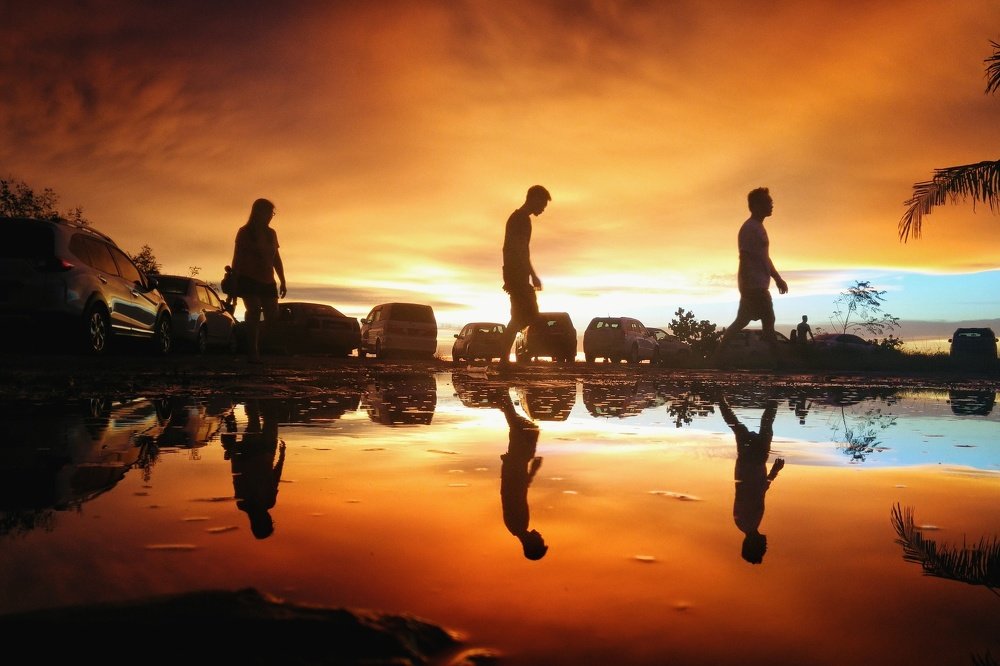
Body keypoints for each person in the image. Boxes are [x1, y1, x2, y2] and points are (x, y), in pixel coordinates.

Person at [715, 187, 788, 364]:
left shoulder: (759, 228)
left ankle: (718, 357)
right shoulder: (750, 228)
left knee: (743, 321)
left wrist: (777, 278)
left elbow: (765, 258)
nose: (771, 204)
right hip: (754, 286)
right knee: (767, 322)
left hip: (758, 285)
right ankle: (780, 362)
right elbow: (745, 257)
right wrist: (746, 286)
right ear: (755, 206)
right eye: (767, 202)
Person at [718, 395, 784, 564]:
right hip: (748, 462)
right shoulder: (744, 524)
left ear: (752, 546)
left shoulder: (748, 522)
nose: (766, 546)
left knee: (763, 424)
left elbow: (756, 492)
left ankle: (775, 394)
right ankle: (720, 399)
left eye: (762, 549)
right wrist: (772, 473)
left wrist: (774, 472)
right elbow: (755, 492)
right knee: (738, 426)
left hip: (753, 461)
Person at [491, 386, 547, 560]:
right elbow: (517, 492)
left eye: (540, 541)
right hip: (516, 466)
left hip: (515, 466)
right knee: (524, 429)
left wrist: (531, 470)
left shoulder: (518, 525)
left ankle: (499, 394)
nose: (541, 537)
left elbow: (514, 493)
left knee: (522, 429)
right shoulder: (517, 526)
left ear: (532, 544)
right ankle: (501, 398)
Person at [497, 185, 551, 365]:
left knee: (522, 315)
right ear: (534, 199)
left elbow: (516, 249)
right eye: (542, 204)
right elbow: (519, 250)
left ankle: (504, 357)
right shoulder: (520, 219)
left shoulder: (520, 219)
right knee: (527, 314)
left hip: (516, 274)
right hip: (516, 274)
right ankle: (504, 356)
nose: (543, 209)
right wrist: (531, 275)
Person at [230, 198, 287, 363]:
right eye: (269, 213)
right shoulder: (245, 232)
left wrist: (282, 280)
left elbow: (276, 258)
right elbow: (237, 258)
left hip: (268, 280)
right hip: (248, 278)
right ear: (259, 213)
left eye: (272, 213)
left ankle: (257, 344)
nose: (270, 216)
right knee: (254, 311)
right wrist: (234, 280)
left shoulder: (272, 233)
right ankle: (253, 351)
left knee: (272, 315)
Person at [222, 400, 286, 540]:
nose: (270, 518)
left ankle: (252, 395)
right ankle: (261, 396)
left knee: (257, 419)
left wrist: (234, 453)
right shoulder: (264, 502)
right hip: (264, 452)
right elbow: (274, 478)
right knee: (266, 418)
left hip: (252, 452)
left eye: (268, 521)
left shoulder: (245, 503)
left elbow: (238, 477)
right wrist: (282, 456)